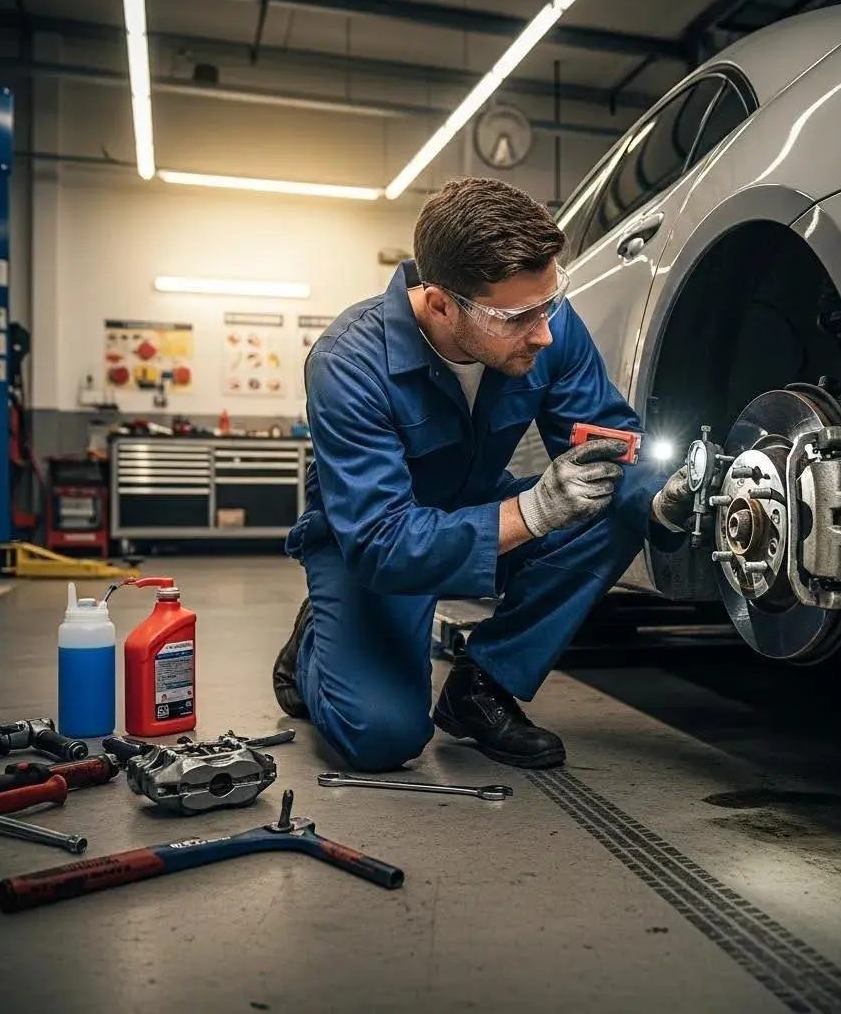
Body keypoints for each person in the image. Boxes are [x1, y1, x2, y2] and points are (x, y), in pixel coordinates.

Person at [273, 177, 694, 772]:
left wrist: (660, 500)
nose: (545, 331)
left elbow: (610, 443)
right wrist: (531, 514)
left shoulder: (550, 325)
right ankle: (316, 639)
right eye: (520, 315)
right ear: (442, 302)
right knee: (383, 738)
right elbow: (380, 541)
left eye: (551, 302)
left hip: (473, 508)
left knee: (616, 497)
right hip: (372, 543)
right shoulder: (348, 363)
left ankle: (483, 686)